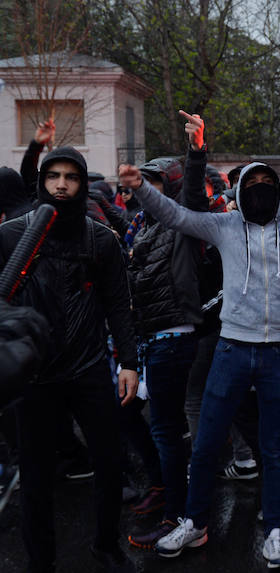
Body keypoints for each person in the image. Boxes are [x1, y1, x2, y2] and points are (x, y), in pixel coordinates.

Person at [119, 128, 280, 569]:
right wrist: (140, 190)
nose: (260, 192)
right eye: (251, 185)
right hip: (231, 348)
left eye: (267, 185)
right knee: (208, 440)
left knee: (273, 446)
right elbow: (175, 215)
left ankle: (275, 531)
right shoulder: (223, 226)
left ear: (278, 190)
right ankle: (194, 521)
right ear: (239, 191)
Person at [0, 145, 140, 572]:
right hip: (34, 373)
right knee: (38, 478)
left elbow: (118, 302)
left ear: (81, 184)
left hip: (88, 366)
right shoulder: (12, 236)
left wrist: (129, 362)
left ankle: (106, 544)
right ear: (41, 181)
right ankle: (41, 561)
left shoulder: (100, 238)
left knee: (111, 463)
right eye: (52, 176)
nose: (61, 184)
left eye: (71, 177)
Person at [126, 112, 208, 549]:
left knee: (167, 429)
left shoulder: (180, 224)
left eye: (155, 183)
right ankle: (175, 507)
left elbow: (193, 197)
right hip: (151, 340)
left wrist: (196, 150)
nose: (146, 192)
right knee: (163, 428)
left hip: (174, 340)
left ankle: (181, 517)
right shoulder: (143, 228)